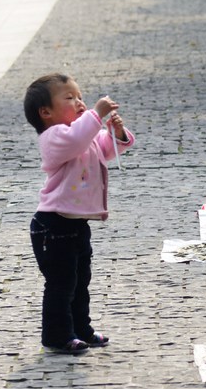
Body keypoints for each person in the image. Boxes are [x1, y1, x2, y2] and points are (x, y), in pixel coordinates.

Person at [24, 73, 135, 353]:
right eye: (70, 98)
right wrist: (96, 114)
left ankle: (80, 329)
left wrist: (116, 133)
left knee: (80, 281)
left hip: (75, 225)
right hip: (52, 225)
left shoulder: (82, 134)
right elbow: (77, 138)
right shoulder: (54, 137)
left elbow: (105, 149)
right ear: (46, 112)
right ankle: (57, 335)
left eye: (80, 96)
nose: (79, 102)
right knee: (61, 284)